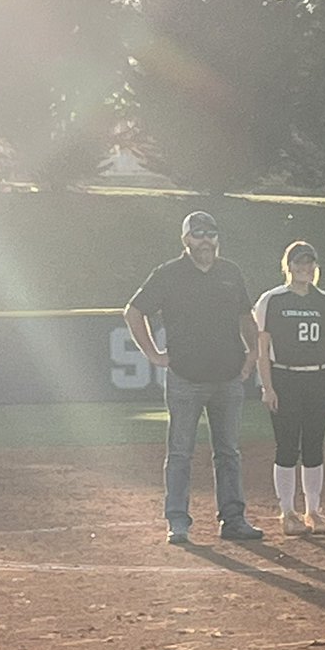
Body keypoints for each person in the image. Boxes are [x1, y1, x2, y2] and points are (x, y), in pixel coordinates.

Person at [123, 210, 264, 545]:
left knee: (228, 452)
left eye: (211, 234)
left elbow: (246, 315)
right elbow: (133, 311)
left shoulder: (230, 272)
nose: (206, 240)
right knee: (181, 452)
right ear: (186, 239)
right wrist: (153, 354)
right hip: (186, 378)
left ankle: (233, 519)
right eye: (199, 234)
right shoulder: (169, 274)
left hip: (228, 378)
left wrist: (252, 353)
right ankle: (177, 521)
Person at [253, 241, 325, 536]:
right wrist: (267, 387)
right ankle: (287, 512)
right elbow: (262, 349)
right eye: (299, 262)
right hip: (286, 378)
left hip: (318, 378)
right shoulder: (272, 299)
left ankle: (313, 511)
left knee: (314, 445)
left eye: (310, 263)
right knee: (287, 445)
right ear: (288, 266)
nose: (305, 268)